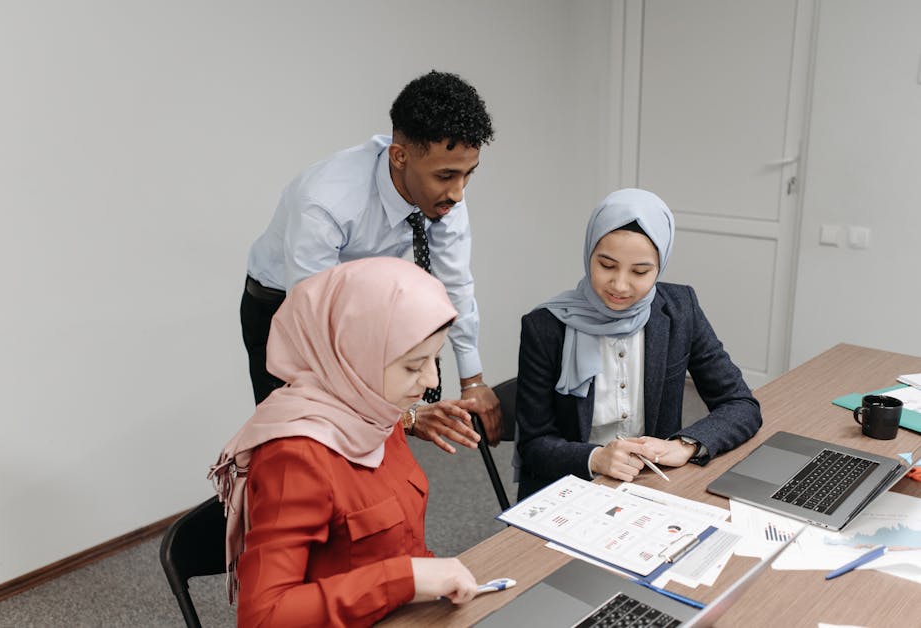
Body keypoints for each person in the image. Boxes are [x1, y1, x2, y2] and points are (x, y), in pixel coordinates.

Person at [210, 258, 481, 627]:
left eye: (435, 359)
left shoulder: (375, 414)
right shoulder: (295, 457)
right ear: (356, 355)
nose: (430, 381)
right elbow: (263, 618)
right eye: (413, 366)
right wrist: (406, 578)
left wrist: (420, 579)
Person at [241, 70, 503, 448]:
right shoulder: (326, 201)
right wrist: (405, 416)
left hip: (365, 304)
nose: (458, 193)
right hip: (285, 309)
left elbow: (455, 285)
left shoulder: (445, 197)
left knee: (371, 444)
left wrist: (472, 380)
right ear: (399, 157)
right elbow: (315, 327)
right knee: (306, 438)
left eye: (468, 175)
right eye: (447, 175)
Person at [515, 188, 761, 500]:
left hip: (650, 486)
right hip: (572, 488)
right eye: (606, 265)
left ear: (660, 267)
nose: (619, 285)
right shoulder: (545, 327)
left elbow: (740, 404)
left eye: (640, 272)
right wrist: (595, 458)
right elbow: (534, 443)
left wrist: (684, 445)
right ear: (589, 252)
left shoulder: (680, 310)